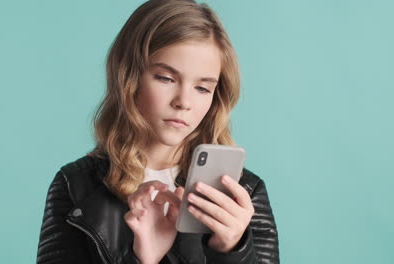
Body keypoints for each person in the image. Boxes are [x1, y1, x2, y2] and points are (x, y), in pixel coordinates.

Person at [36, 0, 279, 263]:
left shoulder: (244, 193)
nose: (183, 102)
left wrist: (232, 250)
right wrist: (142, 258)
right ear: (128, 77)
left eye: (202, 88)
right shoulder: (76, 185)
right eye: (166, 78)